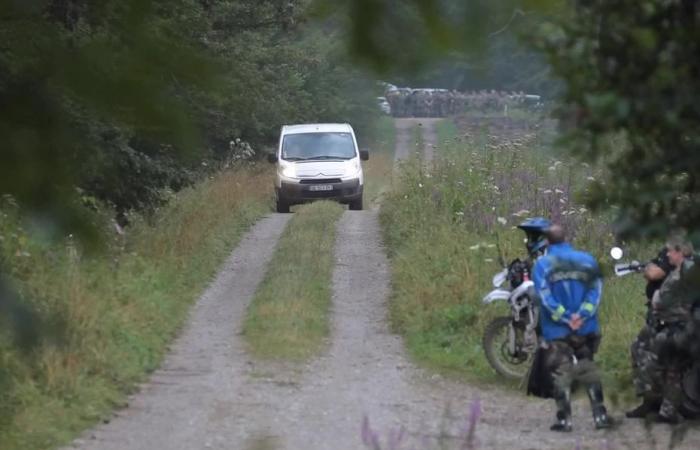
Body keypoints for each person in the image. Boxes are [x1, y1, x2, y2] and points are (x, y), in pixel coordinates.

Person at [533, 224, 612, 432]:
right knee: (588, 367)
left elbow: (544, 296)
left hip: (557, 329)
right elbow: (595, 292)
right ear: (567, 238)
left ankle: (564, 419)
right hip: (586, 328)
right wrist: (581, 316)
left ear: (547, 242)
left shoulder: (542, 264)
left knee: (561, 371)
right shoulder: (587, 260)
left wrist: (566, 318)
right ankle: (600, 415)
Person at [645, 237, 696, 423]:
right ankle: (668, 410)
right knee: (672, 368)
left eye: (670, 251)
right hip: (680, 326)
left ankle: (666, 408)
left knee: (655, 363)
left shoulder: (683, 274)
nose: (667, 255)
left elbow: (662, 301)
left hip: (682, 328)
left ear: (680, 252)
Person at [626, 248, 673, 418]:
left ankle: (667, 406)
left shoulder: (681, 250)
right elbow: (654, 268)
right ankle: (649, 400)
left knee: (662, 356)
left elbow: (654, 273)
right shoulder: (667, 250)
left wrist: (647, 268)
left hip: (672, 313)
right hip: (657, 313)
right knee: (638, 348)